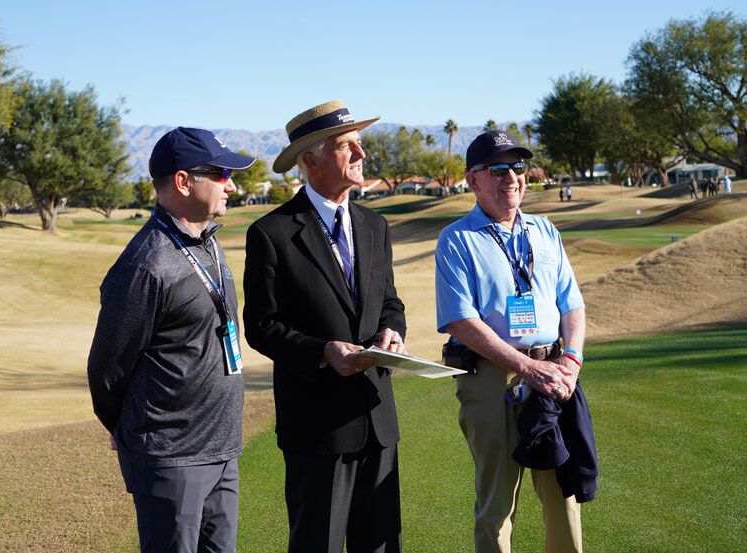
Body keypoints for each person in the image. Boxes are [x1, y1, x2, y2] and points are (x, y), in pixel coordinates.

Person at [243, 100, 407, 553]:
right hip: (316, 427)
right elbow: (260, 325)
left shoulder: (375, 226)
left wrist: (394, 331)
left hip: (377, 418)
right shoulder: (271, 233)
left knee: (380, 545)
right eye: (346, 145)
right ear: (311, 160)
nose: (361, 154)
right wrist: (321, 352)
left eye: (359, 143)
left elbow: (390, 301)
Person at [87, 127, 256, 553]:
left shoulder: (206, 242)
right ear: (183, 182)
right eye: (220, 174)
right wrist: (123, 427)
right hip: (170, 459)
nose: (231, 185)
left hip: (221, 448)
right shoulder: (146, 266)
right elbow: (107, 369)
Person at [435, 129, 595, 553]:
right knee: (497, 504)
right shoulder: (456, 239)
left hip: (555, 375)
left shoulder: (544, 231)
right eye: (498, 169)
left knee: (563, 496)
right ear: (472, 180)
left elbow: (572, 304)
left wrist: (572, 361)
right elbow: (460, 320)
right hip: (493, 380)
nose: (512, 178)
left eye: (518, 167)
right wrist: (527, 368)